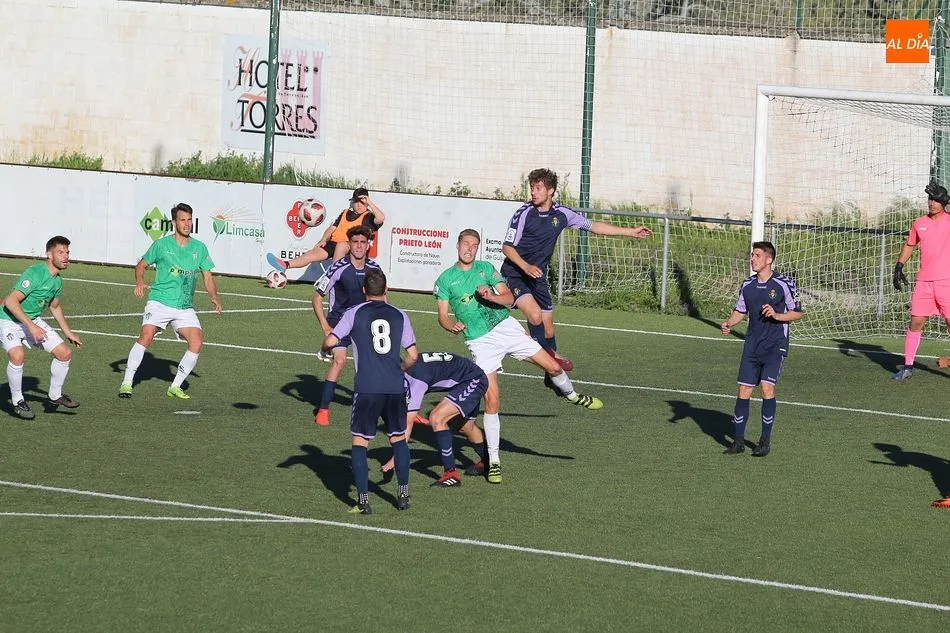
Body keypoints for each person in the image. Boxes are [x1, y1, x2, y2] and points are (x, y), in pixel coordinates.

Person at [435, 229, 603, 485]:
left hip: (506, 328)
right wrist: (451, 326)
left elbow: (509, 297)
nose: (469, 249)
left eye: (474, 245)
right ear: (457, 246)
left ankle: (572, 395)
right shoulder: (446, 279)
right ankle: (494, 462)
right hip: (480, 342)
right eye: (465, 244)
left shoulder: (486, 269)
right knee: (492, 402)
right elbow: (442, 316)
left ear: (477, 248)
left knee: (553, 367)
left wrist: (490, 295)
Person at [501, 168, 652, 371]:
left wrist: (630, 232)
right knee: (535, 315)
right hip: (516, 273)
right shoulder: (524, 213)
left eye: (538, 188)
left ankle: (552, 372)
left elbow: (594, 226)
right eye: (532, 188)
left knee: (548, 328)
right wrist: (526, 266)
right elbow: (507, 247)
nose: (533, 193)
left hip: (538, 276)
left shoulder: (562, 214)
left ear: (551, 190)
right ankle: (547, 362)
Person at [322, 268, 418, 515]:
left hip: (367, 388)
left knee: (360, 442)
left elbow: (332, 341)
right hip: (395, 387)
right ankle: (404, 493)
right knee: (398, 438)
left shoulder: (354, 313)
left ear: (365, 290)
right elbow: (413, 356)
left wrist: (324, 348)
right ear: (386, 290)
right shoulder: (400, 314)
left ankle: (363, 500)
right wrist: (401, 367)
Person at [118, 203, 222, 399]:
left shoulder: (199, 248)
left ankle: (175, 386)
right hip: (160, 301)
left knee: (197, 341)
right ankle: (127, 382)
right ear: (174, 223)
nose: (187, 224)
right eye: (183, 220)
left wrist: (214, 296)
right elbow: (141, 265)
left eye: (190, 220)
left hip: (184, 306)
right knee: (147, 335)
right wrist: (140, 282)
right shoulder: (161, 245)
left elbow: (207, 276)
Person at [720, 241, 803, 457]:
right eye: (752, 255)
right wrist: (729, 323)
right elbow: (740, 310)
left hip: (775, 345)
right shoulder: (747, 284)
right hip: (752, 346)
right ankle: (738, 441)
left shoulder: (783, 283)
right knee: (744, 391)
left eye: (757, 255)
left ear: (769, 259)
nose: (752, 259)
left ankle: (764, 441)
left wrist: (776, 315)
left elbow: (797, 313)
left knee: (767, 388)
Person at [380, 351, 489, 487]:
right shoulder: (407, 369)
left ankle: (451, 474)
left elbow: (407, 423)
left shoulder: (415, 379)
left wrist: (396, 458)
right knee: (465, 427)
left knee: (437, 418)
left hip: (474, 379)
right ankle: (488, 462)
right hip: (466, 376)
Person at [1, 236, 82, 419]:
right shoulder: (35, 273)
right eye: (60, 252)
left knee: (64, 354)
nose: (66, 257)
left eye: (67, 252)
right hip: (8, 320)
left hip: (31, 321)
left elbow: (55, 306)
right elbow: (11, 302)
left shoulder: (57, 281)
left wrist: (68, 332)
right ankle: (17, 401)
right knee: (17, 356)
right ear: (48, 254)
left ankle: (54, 396)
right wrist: (31, 327)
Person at [312, 226, 382, 426]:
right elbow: (317, 298)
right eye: (355, 242)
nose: (359, 246)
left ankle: (370, 406)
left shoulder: (374, 268)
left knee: (369, 366)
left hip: (363, 323)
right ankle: (323, 409)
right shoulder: (338, 268)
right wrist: (326, 326)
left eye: (363, 242)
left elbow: (382, 296)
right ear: (349, 244)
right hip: (340, 322)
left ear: (368, 245)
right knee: (340, 361)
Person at [891, 182, 950, 380]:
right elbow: (910, 244)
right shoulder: (919, 223)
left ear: (944, 202)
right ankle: (907, 367)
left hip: (946, 282)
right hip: (924, 283)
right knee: (916, 322)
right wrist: (899, 265)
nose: (931, 203)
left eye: (935, 200)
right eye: (929, 199)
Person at [268, 187, 384, 272]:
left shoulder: (368, 216)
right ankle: (286, 265)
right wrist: (323, 240)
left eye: (362, 202)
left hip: (351, 247)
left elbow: (380, 218)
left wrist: (369, 203)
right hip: (333, 243)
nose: (359, 205)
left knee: (341, 245)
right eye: (356, 201)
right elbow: (331, 229)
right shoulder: (345, 213)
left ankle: (333, 275)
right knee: (312, 254)